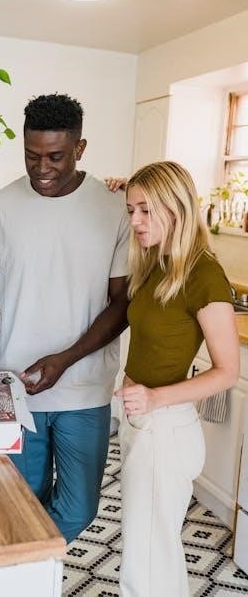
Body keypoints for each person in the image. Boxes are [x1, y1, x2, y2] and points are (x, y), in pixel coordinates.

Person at [0, 93, 130, 543]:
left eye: (56, 156)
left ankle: (7, 563)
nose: (42, 168)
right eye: (31, 155)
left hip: (84, 389)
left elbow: (122, 304)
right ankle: (21, 570)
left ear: (80, 148)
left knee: (78, 509)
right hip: (17, 387)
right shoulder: (0, 208)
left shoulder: (113, 207)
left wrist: (65, 359)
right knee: (22, 503)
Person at [113, 161, 240, 597]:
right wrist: (124, 188)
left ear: (176, 208)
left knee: (146, 562)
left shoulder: (203, 274)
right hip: (143, 422)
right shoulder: (160, 262)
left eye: (146, 210)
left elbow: (227, 371)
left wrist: (154, 398)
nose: (135, 221)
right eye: (131, 210)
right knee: (149, 553)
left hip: (163, 430)